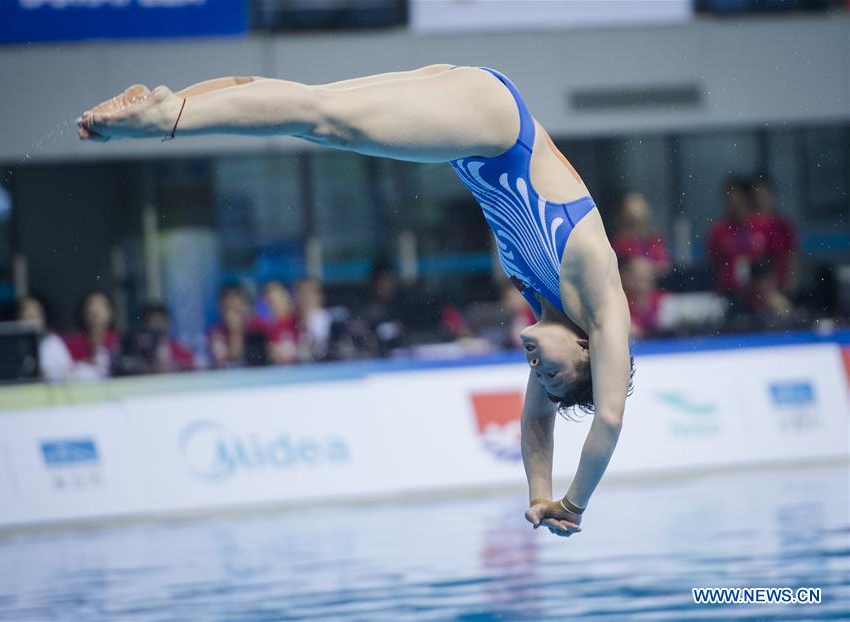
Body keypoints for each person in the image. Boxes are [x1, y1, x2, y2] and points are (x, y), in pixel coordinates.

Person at [78, 64, 635, 537]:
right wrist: (573, 505)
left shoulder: (551, 309)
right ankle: (161, 121)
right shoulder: (599, 298)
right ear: (588, 350)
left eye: (542, 379)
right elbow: (607, 416)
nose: (537, 370)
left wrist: (539, 495)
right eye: (555, 376)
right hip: (494, 126)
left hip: (480, 126)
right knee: (325, 121)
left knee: (319, 108)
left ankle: (169, 104)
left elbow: (537, 425)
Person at [707, 176, 769, 297]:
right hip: (729, 294)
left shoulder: (763, 226)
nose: (734, 204)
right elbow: (713, 266)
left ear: (747, 199)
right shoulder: (718, 231)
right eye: (729, 200)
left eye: (738, 200)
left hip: (760, 294)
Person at [750, 174, 797, 294]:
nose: (761, 196)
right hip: (753, 291)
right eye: (757, 193)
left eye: (764, 191)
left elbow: (791, 256)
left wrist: (790, 284)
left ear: (771, 193)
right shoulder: (747, 224)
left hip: (779, 288)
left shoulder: (783, 225)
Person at [118, 302, 194, 375]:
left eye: (161, 322)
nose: (158, 327)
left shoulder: (182, 352)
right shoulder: (135, 351)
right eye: (153, 322)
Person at [611, 192, 672, 277]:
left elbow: (666, 266)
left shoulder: (655, 239)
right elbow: (615, 270)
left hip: (654, 287)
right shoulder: (619, 243)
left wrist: (649, 268)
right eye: (632, 218)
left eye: (640, 214)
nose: (636, 216)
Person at [208, 284, 269, 368]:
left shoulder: (258, 327)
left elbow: (257, 360)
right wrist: (235, 332)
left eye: (236, 310)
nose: (232, 315)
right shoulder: (216, 332)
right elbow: (232, 360)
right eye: (229, 309)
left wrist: (237, 330)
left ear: (245, 306)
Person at [63, 291, 119, 379]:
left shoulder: (118, 341)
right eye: (91, 305)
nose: (95, 310)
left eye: (101, 305)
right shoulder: (71, 343)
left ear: (111, 313)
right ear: (83, 312)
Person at [18, 296, 74, 382]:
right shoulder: (13, 344)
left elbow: (68, 372)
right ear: (19, 317)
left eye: (35, 315)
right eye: (27, 315)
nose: (31, 319)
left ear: (42, 317)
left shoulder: (53, 342)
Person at [618, 257, 665, 340]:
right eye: (637, 277)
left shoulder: (663, 298)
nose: (642, 281)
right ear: (626, 278)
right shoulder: (621, 301)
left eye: (645, 277)